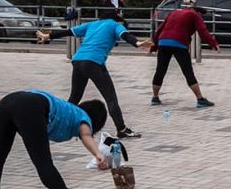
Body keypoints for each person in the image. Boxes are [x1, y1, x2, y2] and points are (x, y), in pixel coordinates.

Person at [36, 10, 151, 139]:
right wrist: (137, 43)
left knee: (74, 96)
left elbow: (68, 32)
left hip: (78, 60)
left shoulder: (92, 24)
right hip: (94, 62)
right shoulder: (115, 24)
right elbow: (126, 35)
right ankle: (122, 129)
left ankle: (59, 125)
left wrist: (48, 36)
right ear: (117, 19)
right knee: (111, 99)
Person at [0, 90, 110, 189]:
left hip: (7, 102)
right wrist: (98, 154)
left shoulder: (69, 109)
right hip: (30, 108)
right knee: (43, 162)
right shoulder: (83, 117)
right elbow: (86, 134)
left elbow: (14, 102)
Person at [150, 0, 220, 108]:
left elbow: (160, 30)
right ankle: (200, 100)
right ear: (197, 11)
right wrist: (214, 44)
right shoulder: (194, 15)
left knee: (160, 70)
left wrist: (154, 46)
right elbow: (203, 31)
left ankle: (155, 98)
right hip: (179, 44)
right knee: (188, 72)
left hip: (163, 42)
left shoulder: (173, 13)